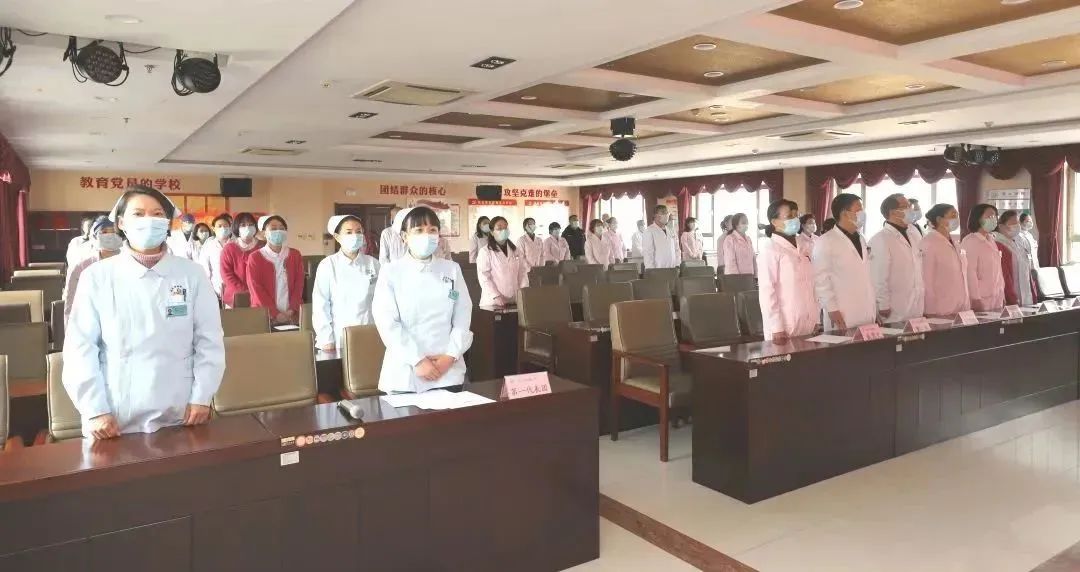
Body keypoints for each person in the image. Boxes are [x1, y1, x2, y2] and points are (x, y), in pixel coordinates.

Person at [63, 185, 224, 439]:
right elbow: (80, 348)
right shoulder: (96, 276)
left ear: (167, 223)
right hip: (113, 416)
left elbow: (209, 341)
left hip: (182, 412)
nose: (148, 220)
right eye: (138, 214)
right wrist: (95, 410)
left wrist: (202, 397)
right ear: (121, 223)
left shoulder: (192, 275)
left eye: (157, 214)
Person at [372, 206, 473, 393]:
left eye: (432, 230)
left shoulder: (451, 269)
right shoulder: (391, 272)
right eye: (418, 230)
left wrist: (450, 356)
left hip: (447, 370)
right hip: (406, 372)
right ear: (404, 236)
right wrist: (417, 360)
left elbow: (463, 315)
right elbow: (387, 323)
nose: (426, 236)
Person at [312, 215, 380, 351]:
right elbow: (321, 305)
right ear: (337, 237)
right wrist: (326, 339)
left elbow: (382, 301)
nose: (355, 236)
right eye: (349, 232)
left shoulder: (373, 263)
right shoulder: (328, 265)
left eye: (359, 232)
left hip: (370, 332)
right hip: (339, 336)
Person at [812, 193, 876, 331]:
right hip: (842, 310)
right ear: (845, 213)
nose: (863, 213)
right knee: (844, 343)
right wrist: (831, 308)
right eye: (859, 210)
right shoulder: (826, 241)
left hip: (866, 308)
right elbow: (821, 279)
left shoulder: (861, 238)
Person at [758, 199, 818, 343]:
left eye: (796, 215)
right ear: (774, 222)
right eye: (789, 216)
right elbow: (767, 291)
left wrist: (816, 318)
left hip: (808, 321)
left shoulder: (804, 245)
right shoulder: (770, 249)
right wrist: (776, 327)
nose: (795, 220)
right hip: (784, 325)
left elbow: (812, 284)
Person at [868, 194, 925, 323]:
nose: (911, 209)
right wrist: (883, 304)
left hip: (916, 304)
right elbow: (878, 277)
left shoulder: (914, 234)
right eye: (906, 206)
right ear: (893, 212)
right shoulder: (880, 239)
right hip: (894, 308)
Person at [246, 215, 304, 325]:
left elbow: (299, 284)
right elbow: (256, 288)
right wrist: (275, 313)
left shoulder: (295, 255)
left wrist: (292, 310)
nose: (278, 231)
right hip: (264, 314)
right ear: (264, 233)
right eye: (273, 228)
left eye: (282, 228)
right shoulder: (255, 257)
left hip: (292, 314)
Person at [64, 216, 122, 325]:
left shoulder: (132, 264)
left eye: (114, 232)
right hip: (90, 323)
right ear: (95, 236)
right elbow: (71, 304)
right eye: (104, 232)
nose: (110, 235)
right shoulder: (81, 267)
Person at [920, 204, 969, 317]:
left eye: (957, 216)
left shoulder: (955, 243)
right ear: (939, 219)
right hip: (940, 308)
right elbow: (926, 279)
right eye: (952, 215)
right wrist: (930, 310)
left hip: (961, 304)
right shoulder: (929, 243)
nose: (956, 219)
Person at [960, 204, 1006, 312]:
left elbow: (998, 270)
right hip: (981, 297)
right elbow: (970, 272)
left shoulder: (991, 239)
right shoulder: (970, 241)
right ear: (978, 218)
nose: (993, 219)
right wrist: (975, 298)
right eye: (989, 216)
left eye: (995, 216)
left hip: (996, 296)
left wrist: (1002, 293)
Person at [477, 216, 529, 306]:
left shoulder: (515, 250)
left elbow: (522, 272)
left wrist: (523, 292)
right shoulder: (485, 252)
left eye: (505, 227)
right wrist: (495, 296)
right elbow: (484, 277)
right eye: (499, 228)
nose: (503, 231)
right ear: (492, 232)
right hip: (493, 302)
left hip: (515, 299)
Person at [219, 212, 264, 308]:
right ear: (237, 228)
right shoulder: (229, 248)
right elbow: (226, 275)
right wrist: (245, 291)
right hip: (235, 297)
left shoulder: (263, 246)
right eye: (243, 225)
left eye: (251, 224)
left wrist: (256, 291)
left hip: (260, 295)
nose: (247, 227)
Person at [993, 210, 1035, 307]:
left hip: (1025, 293)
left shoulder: (1018, 242)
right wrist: (1011, 297)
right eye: (1013, 223)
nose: (1017, 226)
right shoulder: (997, 243)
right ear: (1001, 226)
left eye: (1018, 223)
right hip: (1010, 294)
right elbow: (1004, 274)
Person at [199, 213, 233, 300]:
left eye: (225, 226)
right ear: (213, 228)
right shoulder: (209, 245)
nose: (223, 228)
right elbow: (205, 268)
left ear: (230, 228)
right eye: (219, 226)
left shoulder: (235, 244)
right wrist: (208, 287)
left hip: (233, 288)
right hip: (214, 288)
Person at [642, 205, 680, 269]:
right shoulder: (649, 231)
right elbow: (648, 253)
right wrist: (651, 270)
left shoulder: (671, 230)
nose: (666, 215)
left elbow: (677, 249)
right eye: (663, 213)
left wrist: (677, 264)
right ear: (656, 215)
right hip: (657, 269)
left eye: (667, 212)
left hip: (673, 268)